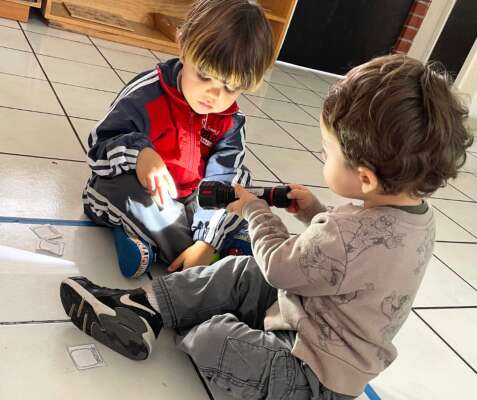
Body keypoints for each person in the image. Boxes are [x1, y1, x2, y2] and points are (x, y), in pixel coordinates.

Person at [60, 54, 473, 399]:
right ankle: (143, 306)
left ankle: (172, 313)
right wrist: (315, 212)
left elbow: (280, 266)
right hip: (312, 320)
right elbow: (358, 253)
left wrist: (255, 210)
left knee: (213, 336)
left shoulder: (347, 235)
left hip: (314, 376)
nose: (323, 158)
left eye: (327, 152)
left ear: (365, 178)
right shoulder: (417, 218)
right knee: (244, 269)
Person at [82, 0, 274, 278]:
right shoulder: (147, 93)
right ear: (182, 46)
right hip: (141, 189)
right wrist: (140, 154)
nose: (214, 95)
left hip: (193, 196)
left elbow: (221, 182)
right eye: (204, 76)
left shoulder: (231, 121)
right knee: (130, 194)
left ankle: (159, 243)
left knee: (241, 185)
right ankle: (205, 257)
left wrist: (206, 240)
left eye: (231, 88)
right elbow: (98, 148)